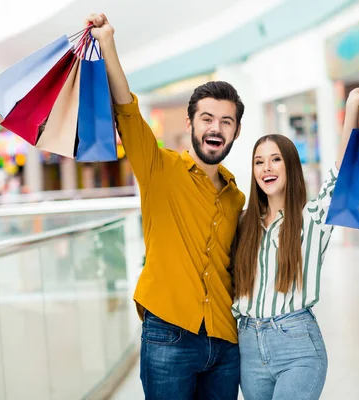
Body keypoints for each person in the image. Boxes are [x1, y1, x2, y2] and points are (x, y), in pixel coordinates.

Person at [87, 13, 245, 399]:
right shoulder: (160, 168)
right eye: (207, 118)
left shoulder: (236, 195)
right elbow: (127, 111)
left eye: (226, 122)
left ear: (236, 131)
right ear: (190, 123)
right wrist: (107, 43)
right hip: (169, 333)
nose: (216, 128)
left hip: (225, 338)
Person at [231, 83, 359, 400]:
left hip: (297, 345)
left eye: (275, 160)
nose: (267, 168)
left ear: (290, 167)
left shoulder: (311, 219)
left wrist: (352, 107)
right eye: (259, 162)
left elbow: (339, 174)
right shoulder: (243, 223)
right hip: (247, 348)